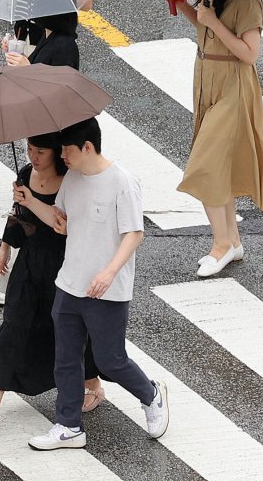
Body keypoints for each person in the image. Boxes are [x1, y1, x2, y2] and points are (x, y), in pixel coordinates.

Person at [25, 118, 168, 451]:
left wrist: (109, 273)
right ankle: (68, 425)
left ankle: (151, 394)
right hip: (70, 284)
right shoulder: (72, 179)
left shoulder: (122, 182)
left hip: (106, 290)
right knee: (66, 359)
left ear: (87, 147)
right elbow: (61, 224)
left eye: (67, 151)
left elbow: (134, 233)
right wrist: (30, 202)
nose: (63, 157)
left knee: (110, 360)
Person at [0, 136, 104, 428]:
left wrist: (31, 199)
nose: (34, 157)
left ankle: (93, 384)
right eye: (30, 150)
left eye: (40, 151)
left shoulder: (70, 181)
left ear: (55, 152)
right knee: (12, 327)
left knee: (64, 329)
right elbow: (17, 215)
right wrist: (5, 247)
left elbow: (62, 224)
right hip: (29, 264)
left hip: (63, 264)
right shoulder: (25, 174)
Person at [173, 0, 263, 277]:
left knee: (206, 166)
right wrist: (182, 5)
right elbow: (203, 26)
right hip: (207, 77)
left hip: (233, 86)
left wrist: (214, 22)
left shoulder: (246, 0)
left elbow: (250, 53)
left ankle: (221, 244)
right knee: (219, 166)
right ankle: (232, 241)